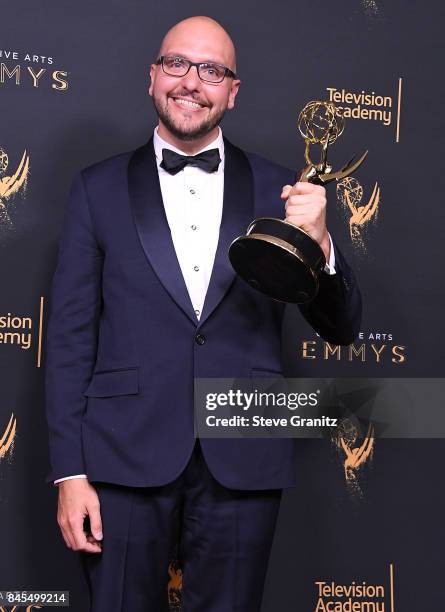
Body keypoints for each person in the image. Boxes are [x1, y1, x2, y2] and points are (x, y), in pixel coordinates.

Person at [45, 15, 361, 612]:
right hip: (121, 458)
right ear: (152, 76)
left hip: (243, 450)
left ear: (233, 90)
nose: (191, 82)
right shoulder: (97, 188)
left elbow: (343, 328)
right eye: (177, 64)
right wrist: (70, 472)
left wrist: (320, 244)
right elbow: (67, 340)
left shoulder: (283, 191)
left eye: (212, 70)